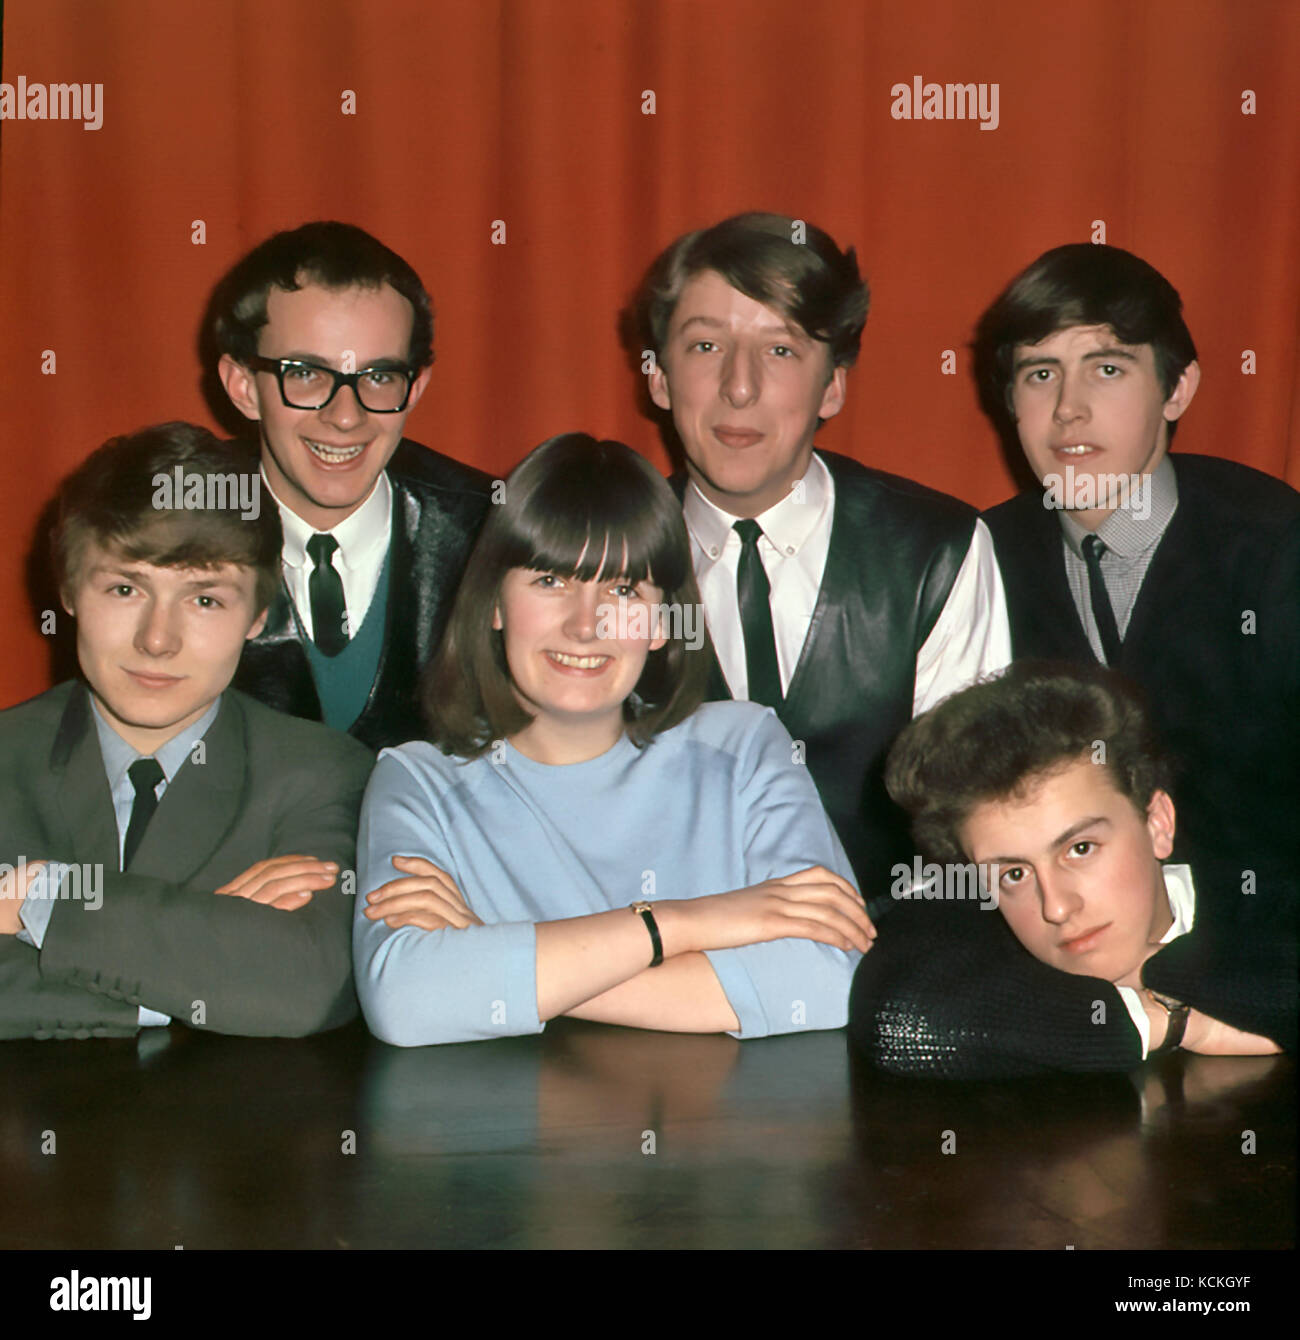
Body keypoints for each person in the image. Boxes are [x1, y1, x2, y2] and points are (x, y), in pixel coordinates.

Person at [353, 433, 874, 1047]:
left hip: (728, 1137)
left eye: (624, 591)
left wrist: (500, 949)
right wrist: (680, 924)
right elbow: (407, 1000)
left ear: (661, 623)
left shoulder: (745, 747)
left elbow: (829, 978)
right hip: (511, 1138)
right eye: (550, 581)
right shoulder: (418, 782)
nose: (584, 624)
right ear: (493, 603)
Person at [635, 212, 1010, 905]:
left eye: (780, 351)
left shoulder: (936, 550)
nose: (739, 387)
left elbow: (979, 823)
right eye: (705, 346)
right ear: (658, 379)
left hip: (893, 963)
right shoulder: (607, 563)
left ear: (832, 386)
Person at [0, 423, 374, 1040]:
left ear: (258, 614)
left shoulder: (322, 773)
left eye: (204, 600)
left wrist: (44, 896)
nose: (157, 639)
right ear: (67, 591)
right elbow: (254, 981)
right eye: (125, 588)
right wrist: (204, 964)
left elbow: (305, 985)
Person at [975, 243, 1300, 881]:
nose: (1068, 408)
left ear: (1177, 390)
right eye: (1040, 374)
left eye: (1107, 369)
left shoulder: (1275, 546)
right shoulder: (979, 557)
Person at [847, 662, 1296, 1078]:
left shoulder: (1258, 894)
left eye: (1080, 848)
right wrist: (1176, 1022)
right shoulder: (976, 924)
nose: (1057, 907)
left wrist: (1162, 970)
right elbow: (898, 1019)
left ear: (1158, 822)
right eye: (1014, 874)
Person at [212, 220, 492, 749]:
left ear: (416, 388)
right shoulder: (170, 534)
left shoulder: (495, 534)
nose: (346, 416)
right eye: (307, 374)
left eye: (380, 377)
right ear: (244, 388)